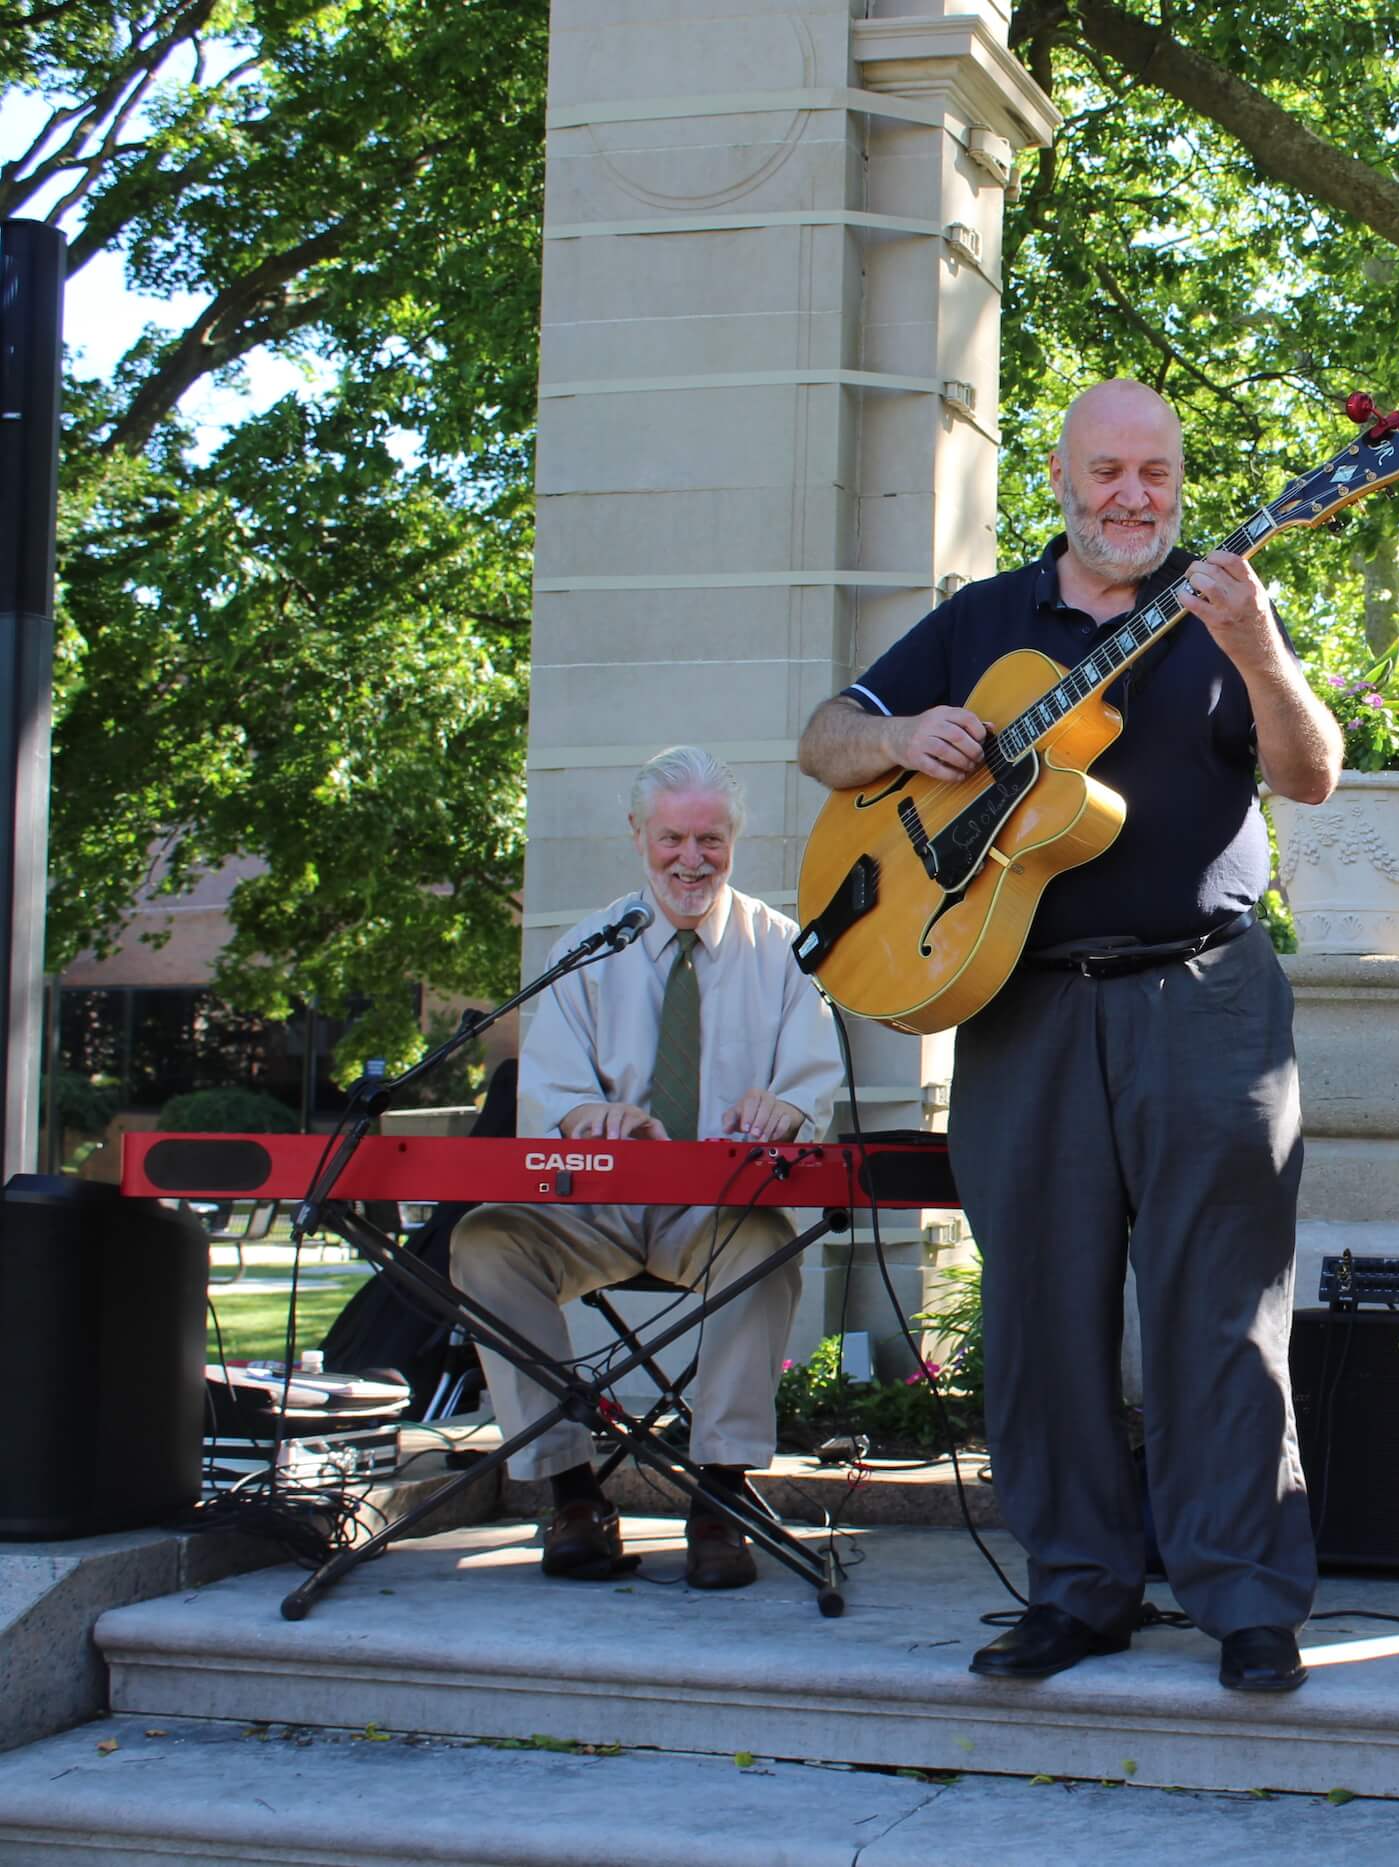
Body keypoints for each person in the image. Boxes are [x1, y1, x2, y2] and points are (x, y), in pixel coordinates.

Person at [796, 379, 1340, 1693]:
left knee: (1220, 1307)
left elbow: (1313, 771)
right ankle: (1078, 1585)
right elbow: (821, 740)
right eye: (1108, 469)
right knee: (1041, 1311)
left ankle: (1246, 1592)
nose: (1133, 494)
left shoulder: (1226, 615)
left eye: (1156, 471)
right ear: (1060, 476)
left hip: (1207, 1001)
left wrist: (1262, 647)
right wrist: (898, 732)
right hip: (1020, 1001)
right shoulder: (983, 620)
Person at [451, 746, 836, 1591]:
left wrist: (786, 1107)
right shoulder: (588, 945)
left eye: (711, 838)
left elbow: (814, 1083)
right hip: (600, 1202)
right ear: (638, 836)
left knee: (767, 1243)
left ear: (737, 838)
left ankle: (722, 1496)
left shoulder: (783, 951)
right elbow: (549, 1098)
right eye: (673, 838)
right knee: (483, 1241)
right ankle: (572, 1493)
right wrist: (590, 1114)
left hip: (715, 1210)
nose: (691, 858)